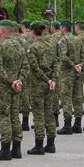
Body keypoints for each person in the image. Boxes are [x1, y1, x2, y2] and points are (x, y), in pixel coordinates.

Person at [0, 20, 27, 161]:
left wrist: (11, 81)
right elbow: (26, 67)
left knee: (3, 115)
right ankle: (16, 149)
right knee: (14, 115)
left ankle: (5, 149)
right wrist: (19, 80)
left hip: (3, 88)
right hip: (16, 87)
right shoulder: (20, 45)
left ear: (2, 31)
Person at [26, 20, 58, 155]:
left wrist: (46, 79)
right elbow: (56, 62)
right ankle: (51, 144)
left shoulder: (32, 47)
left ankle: (39, 145)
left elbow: (34, 67)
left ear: (32, 32)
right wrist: (53, 79)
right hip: (50, 83)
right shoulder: (51, 45)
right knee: (49, 112)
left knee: (38, 114)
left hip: (38, 83)